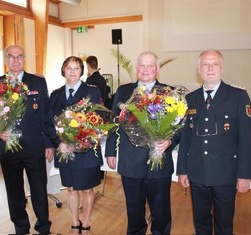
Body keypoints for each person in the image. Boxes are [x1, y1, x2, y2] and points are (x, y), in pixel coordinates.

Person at [177, 50, 251, 234]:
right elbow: (186, 138)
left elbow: (246, 139)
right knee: (200, 223)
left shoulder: (238, 96)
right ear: (199, 69)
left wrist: (245, 175)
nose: (210, 68)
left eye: (215, 64)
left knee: (224, 225)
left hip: (226, 174)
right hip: (197, 172)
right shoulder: (190, 99)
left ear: (222, 68)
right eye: (205, 64)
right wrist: (182, 170)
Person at [105, 51, 180, 235]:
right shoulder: (123, 91)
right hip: (130, 162)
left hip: (159, 162)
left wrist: (170, 140)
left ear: (157, 69)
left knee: (161, 214)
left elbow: (180, 127)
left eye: (150, 66)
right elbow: (114, 122)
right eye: (142, 65)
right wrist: (110, 151)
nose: (145, 70)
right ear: (137, 68)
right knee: (134, 213)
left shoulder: (169, 92)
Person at [0, 45, 60, 234]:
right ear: (6, 59)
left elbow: (46, 115)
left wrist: (49, 143)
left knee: (39, 190)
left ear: (24, 58)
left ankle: (43, 226)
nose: (15, 60)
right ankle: (21, 228)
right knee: (15, 193)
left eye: (19, 56)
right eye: (11, 56)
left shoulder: (37, 82)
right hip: (8, 148)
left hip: (34, 146)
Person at [49, 56, 103, 235]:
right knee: (71, 189)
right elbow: (49, 123)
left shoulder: (92, 92)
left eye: (76, 68)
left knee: (88, 190)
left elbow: (99, 122)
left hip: (86, 151)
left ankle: (86, 224)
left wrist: (81, 141)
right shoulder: (55, 95)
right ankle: (74, 223)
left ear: (82, 71)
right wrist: (59, 143)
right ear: (63, 70)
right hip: (64, 150)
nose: (72, 72)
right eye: (68, 68)